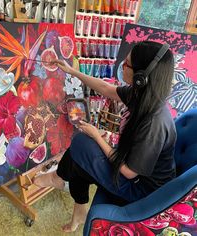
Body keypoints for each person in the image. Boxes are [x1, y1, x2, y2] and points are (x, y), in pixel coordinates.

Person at [33, 41, 177, 232]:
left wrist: (98, 138)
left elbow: (128, 172)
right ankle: (73, 202)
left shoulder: (153, 123)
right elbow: (106, 89)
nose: (122, 66)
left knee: (81, 143)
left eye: (127, 64)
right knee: (79, 158)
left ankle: (59, 179)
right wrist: (72, 72)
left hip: (142, 191)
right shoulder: (142, 95)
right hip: (132, 171)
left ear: (141, 77)